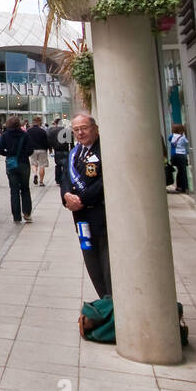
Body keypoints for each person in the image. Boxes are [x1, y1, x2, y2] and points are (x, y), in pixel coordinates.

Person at [61, 112, 111, 298]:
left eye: (84, 128)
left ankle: (111, 304)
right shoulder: (75, 152)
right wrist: (66, 195)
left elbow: (105, 181)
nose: (80, 133)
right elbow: (65, 177)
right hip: (81, 220)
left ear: (95, 129)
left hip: (101, 218)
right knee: (92, 265)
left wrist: (81, 200)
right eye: (76, 130)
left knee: (107, 267)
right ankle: (104, 303)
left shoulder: (104, 150)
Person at [0, 115, 33, 223]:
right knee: (25, 189)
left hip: (11, 164)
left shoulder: (5, 135)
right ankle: (27, 213)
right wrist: (23, 154)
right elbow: (30, 150)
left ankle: (16, 217)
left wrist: (8, 153)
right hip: (24, 163)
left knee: (14, 191)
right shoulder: (25, 135)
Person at [27, 115, 51, 186]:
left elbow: (26, 140)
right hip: (42, 149)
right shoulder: (43, 131)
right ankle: (41, 181)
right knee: (42, 165)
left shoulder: (29, 131)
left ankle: (35, 174)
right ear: (39, 122)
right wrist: (49, 149)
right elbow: (47, 141)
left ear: (33, 122)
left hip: (33, 150)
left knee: (34, 164)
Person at [167, 123, 189, 194]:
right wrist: (184, 134)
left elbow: (169, 139)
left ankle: (178, 186)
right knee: (183, 171)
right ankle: (184, 187)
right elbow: (187, 142)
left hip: (174, 156)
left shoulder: (171, 136)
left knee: (179, 171)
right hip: (181, 155)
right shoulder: (182, 137)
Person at [51, 116, 72, 186]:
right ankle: (66, 179)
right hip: (65, 150)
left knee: (58, 165)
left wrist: (51, 149)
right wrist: (72, 148)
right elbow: (70, 141)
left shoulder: (52, 131)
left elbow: (50, 141)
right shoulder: (66, 130)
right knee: (66, 165)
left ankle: (58, 180)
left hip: (57, 151)